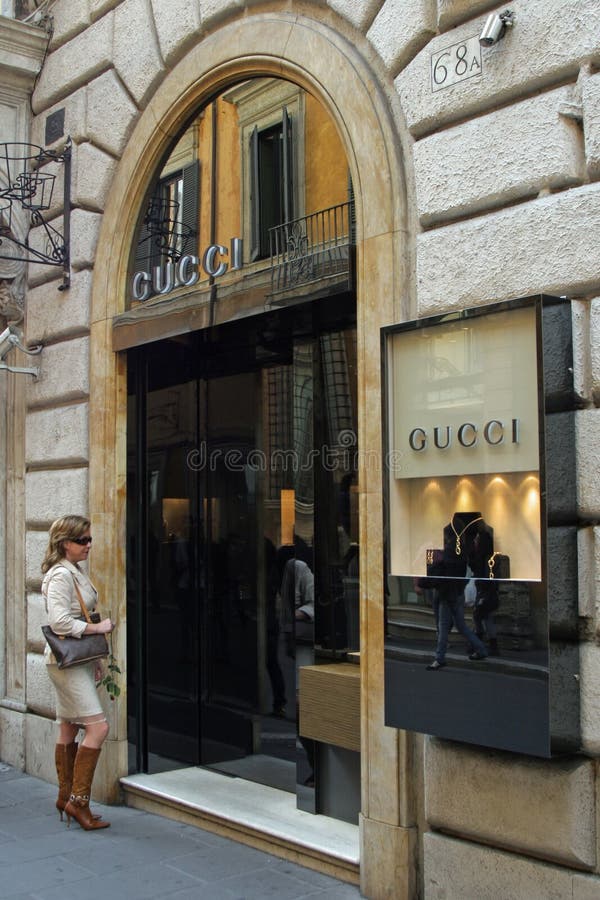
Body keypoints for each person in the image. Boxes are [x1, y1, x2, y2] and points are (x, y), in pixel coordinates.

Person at [41, 515, 115, 830]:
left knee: (68, 728)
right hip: (64, 663)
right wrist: (98, 627)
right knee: (98, 728)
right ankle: (78, 802)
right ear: (64, 543)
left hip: (76, 661)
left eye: (89, 539)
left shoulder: (73, 571)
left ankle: (64, 796)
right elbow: (59, 622)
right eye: (82, 540)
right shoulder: (60, 575)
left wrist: (94, 659)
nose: (89, 545)